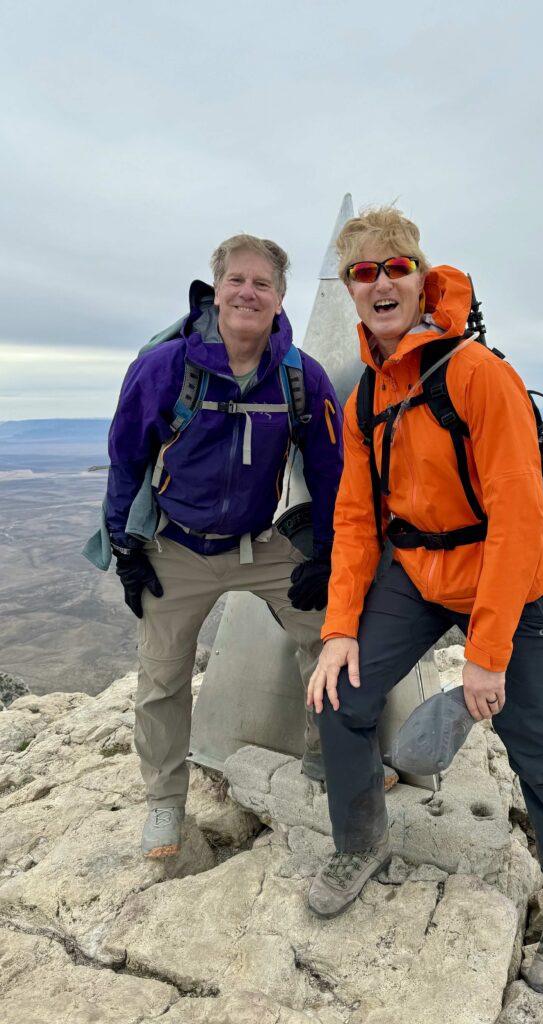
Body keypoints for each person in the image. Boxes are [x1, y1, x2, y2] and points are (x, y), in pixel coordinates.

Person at [306, 207, 543, 995]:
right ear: (350, 291)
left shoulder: (476, 375)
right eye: (361, 273)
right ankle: (358, 842)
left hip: (510, 575)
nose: (379, 283)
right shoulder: (370, 392)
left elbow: (516, 517)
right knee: (340, 696)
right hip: (420, 570)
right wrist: (339, 630)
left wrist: (486, 653)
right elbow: (357, 519)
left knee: (536, 744)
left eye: (393, 267)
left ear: (419, 275)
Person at [106, 233, 343, 858]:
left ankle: (332, 762)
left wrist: (325, 552)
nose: (248, 292)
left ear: (280, 296)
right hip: (176, 547)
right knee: (161, 678)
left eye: (262, 283)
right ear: (216, 290)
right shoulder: (166, 368)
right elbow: (125, 459)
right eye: (236, 280)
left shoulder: (299, 376)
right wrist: (124, 547)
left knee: (329, 634)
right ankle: (164, 801)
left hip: (259, 541)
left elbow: (328, 470)